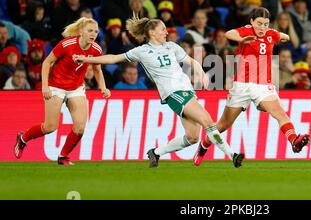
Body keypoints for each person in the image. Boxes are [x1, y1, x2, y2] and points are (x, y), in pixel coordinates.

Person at [73, 18, 244, 168]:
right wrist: (87, 59)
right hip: (173, 93)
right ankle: (232, 155)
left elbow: (191, 61)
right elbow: (113, 58)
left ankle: (155, 152)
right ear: (152, 32)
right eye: (162, 29)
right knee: (208, 121)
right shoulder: (141, 51)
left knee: (192, 137)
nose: (166, 32)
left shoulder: (171, 46)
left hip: (187, 91)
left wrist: (200, 73)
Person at [193, 8, 310, 166]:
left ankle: (294, 141)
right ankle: (203, 146)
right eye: (259, 23)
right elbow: (229, 34)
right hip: (242, 86)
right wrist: (242, 39)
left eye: (266, 24)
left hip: (263, 86)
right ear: (252, 22)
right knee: (223, 124)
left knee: (281, 114)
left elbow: (283, 36)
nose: (262, 27)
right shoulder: (246, 31)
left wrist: (284, 36)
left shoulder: (270, 33)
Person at [14, 18, 111, 165]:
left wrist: (103, 87)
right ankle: (23, 138)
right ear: (80, 32)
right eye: (90, 30)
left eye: (96, 31)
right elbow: (47, 62)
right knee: (50, 127)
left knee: (79, 128)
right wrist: (45, 86)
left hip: (76, 87)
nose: (93, 34)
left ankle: (63, 156)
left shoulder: (96, 49)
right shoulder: (67, 44)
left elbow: (97, 68)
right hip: (56, 86)